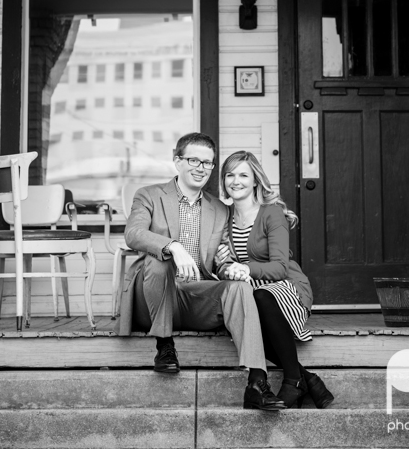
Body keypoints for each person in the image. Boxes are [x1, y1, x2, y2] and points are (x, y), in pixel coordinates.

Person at [118, 132, 285, 411]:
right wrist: (172, 246)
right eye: (193, 160)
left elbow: (219, 261)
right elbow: (133, 234)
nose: (201, 168)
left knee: (240, 288)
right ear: (177, 161)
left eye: (207, 163)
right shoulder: (149, 195)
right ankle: (165, 345)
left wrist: (229, 266)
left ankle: (257, 382)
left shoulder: (219, 209)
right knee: (160, 259)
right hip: (153, 298)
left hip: (195, 297)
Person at [218, 150, 334, 410]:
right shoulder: (223, 217)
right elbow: (225, 267)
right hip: (250, 293)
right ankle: (308, 379)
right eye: (230, 175)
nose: (235, 181)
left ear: (256, 180)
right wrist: (224, 266)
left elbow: (280, 267)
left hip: (285, 288)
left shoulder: (271, 213)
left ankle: (293, 379)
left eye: (243, 175)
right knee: (244, 307)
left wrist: (246, 269)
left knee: (259, 297)